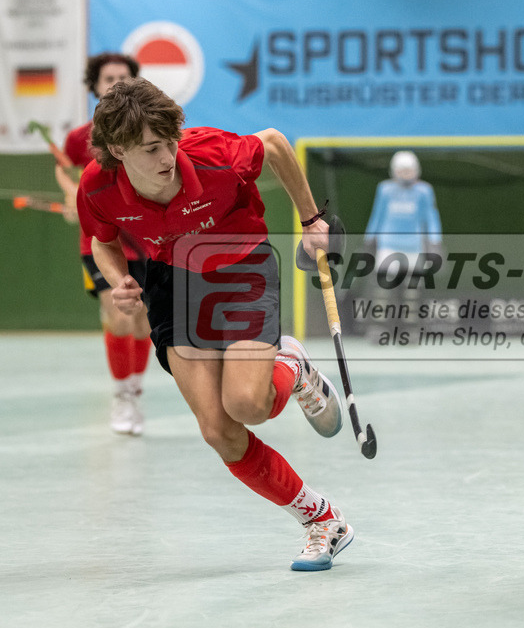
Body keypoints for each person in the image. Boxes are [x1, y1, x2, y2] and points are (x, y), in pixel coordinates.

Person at [77, 77, 353, 572]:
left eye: (169, 142)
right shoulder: (97, 187)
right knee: (219, 430)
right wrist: (118, 279)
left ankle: (292, 364)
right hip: (172, 285)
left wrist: (312, 220)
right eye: (151, 149)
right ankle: (321, 521)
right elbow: (102, 239)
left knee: (248, 404)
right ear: (118, 149)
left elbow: (272, 142)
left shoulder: (213, 154)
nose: (167, 158)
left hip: (242, 267)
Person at [54, 52, 151, 435]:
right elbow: (63, 167)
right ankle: (122, 396)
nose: (115, 83)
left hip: (144, 239)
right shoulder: (81, 137)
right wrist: (69, 196)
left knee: (142, 319)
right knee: (117, 311)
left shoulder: (147, 133)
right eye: (108, 77)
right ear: (95, 85)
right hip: (100, 240)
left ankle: (134, 389)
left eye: (123, 77)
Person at [363, 150, 443, 341]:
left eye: (409, 170)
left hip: (413, 245)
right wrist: (369, 238)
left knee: (412, 291)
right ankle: (379, 329)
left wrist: (435, 240)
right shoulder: (385, 189)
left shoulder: (424, 191)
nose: (405, 174)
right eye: (402, 170)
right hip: (388, 243)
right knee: (382, 289)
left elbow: (431, 217)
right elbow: (378, 214)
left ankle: (410, 330)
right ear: (394, 170)